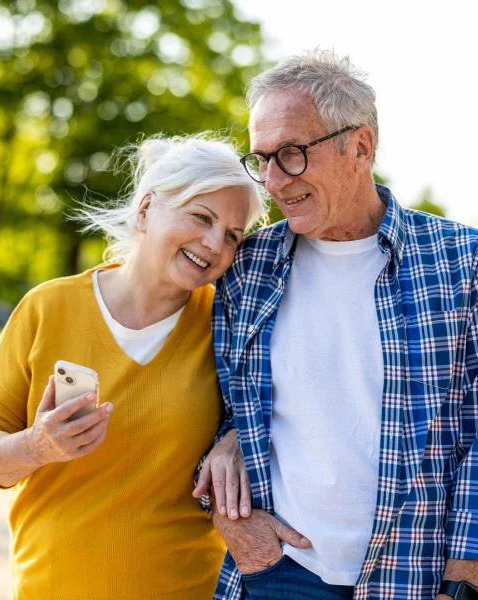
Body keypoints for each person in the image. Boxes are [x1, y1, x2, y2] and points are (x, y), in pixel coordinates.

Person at [201, 50, 478, 600]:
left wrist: (464, 578)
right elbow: (207, 399)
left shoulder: (462, 262)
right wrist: (227, 490)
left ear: (361, 146)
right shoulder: (244, 266)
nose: (274, 181)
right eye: (263, 159)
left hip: (418, 578)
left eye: (293, 153)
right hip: (280, 572)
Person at [0, 134, 268, 600]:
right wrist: (37, 446)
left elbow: (285, 416)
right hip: (51, 587)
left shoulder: (228, 327)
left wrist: (238, 437)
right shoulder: (48, 308)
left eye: (231, 235)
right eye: (201, 217)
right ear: (145, 210)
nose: (213, 243)